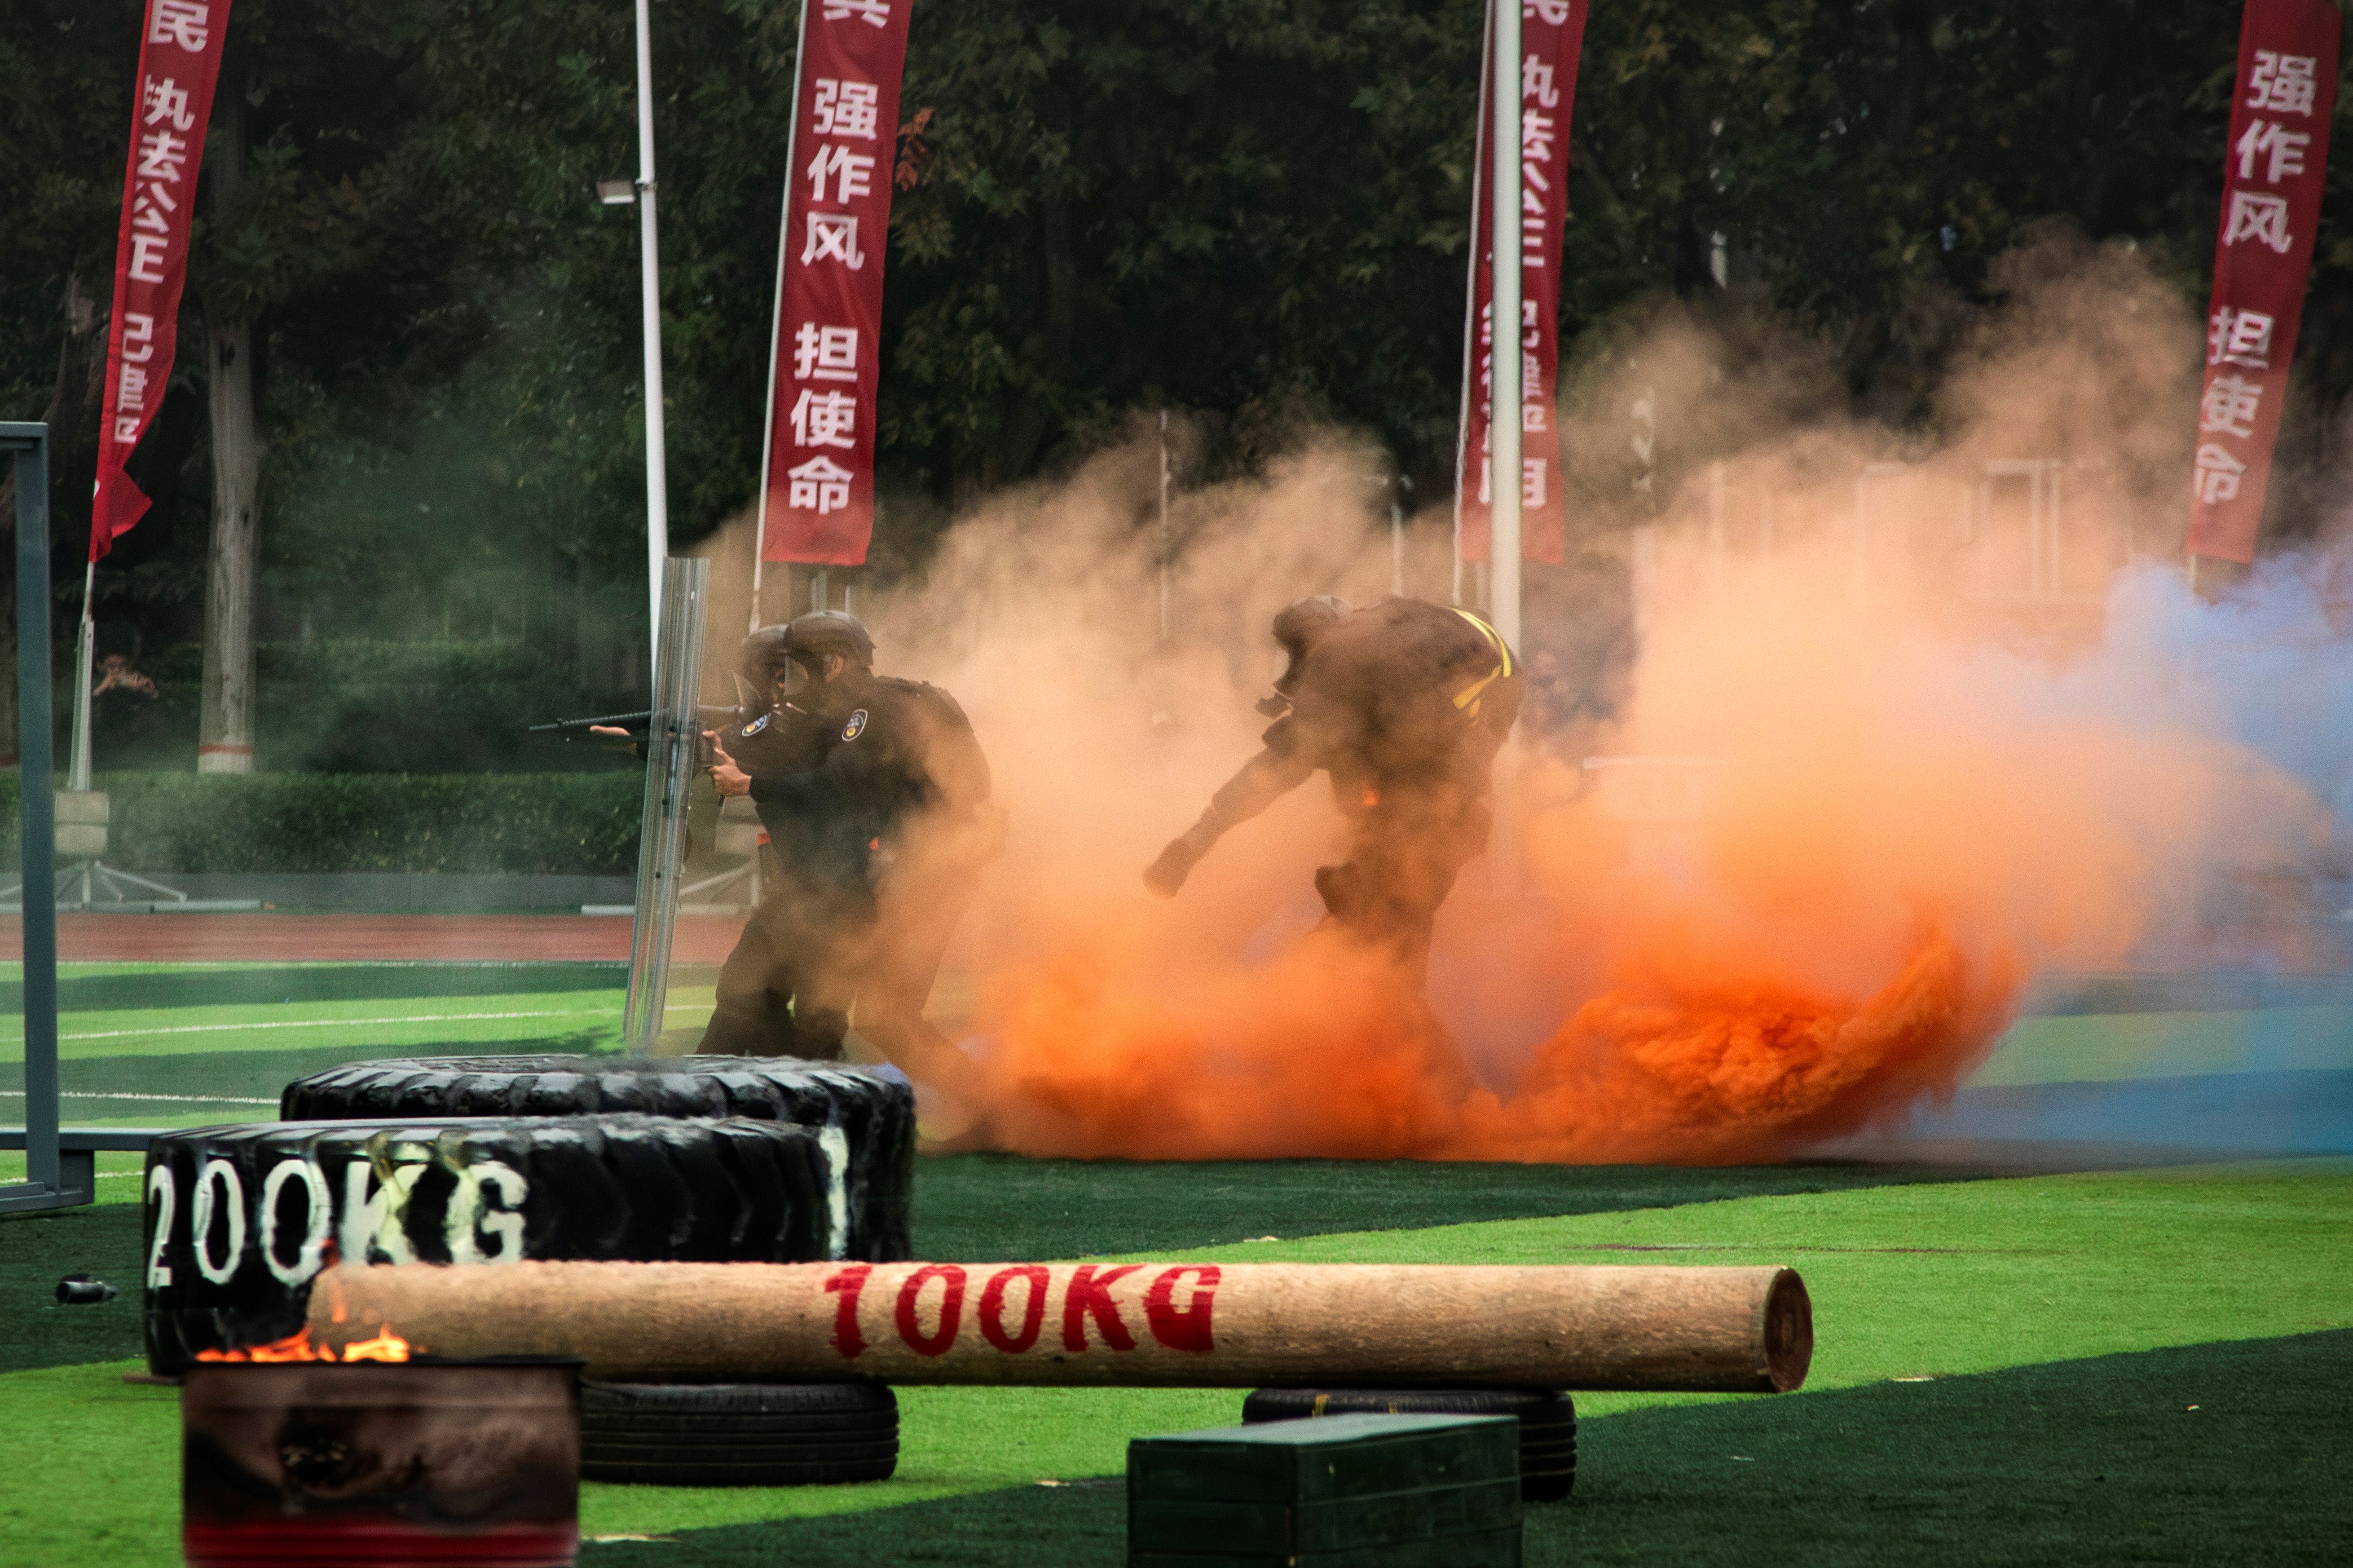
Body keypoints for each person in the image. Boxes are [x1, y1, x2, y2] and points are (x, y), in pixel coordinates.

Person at [1144, 594, 1522, 988]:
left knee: (1407, 868)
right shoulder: (1383, 622)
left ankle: (1371, 985)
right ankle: (1368, 968)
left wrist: (1195, 842)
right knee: (1401, 852)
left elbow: (1272, 772)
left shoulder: (1342, 670)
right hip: (1487, 689)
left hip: (1455, 726)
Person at [705, 611, 999, 1117]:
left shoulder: (871, 711)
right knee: (878, 1017)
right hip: (932, 870)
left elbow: (833, 788)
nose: (794, 685)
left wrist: (750, 783)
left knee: (883, 1016)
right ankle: (991, 1108)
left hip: (931, 876)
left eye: (800, 670)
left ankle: (993, 1108)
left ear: (833, 663)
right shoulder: (892, 701)